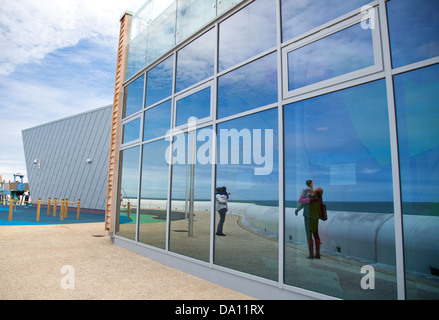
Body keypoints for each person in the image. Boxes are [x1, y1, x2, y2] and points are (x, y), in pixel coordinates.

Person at [296, 181, 323, 259]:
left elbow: (301, 202)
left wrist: (297, 209)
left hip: (308, 217)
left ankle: (311, 254)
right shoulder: (318, 197)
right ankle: (318, 254)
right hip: (316, 217)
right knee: (316, 234)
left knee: (309, 235)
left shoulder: (308, 196)